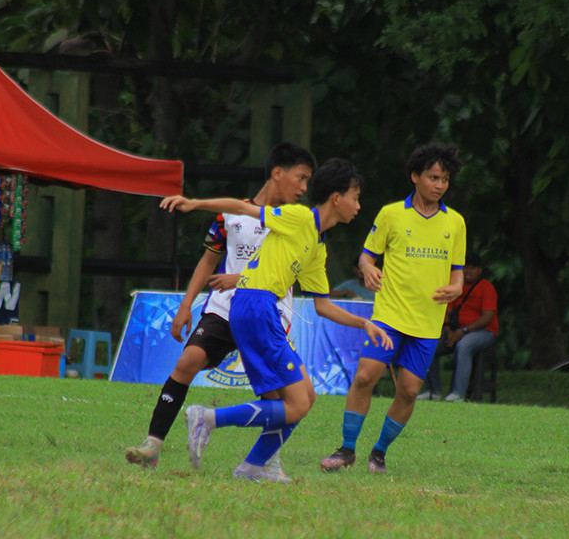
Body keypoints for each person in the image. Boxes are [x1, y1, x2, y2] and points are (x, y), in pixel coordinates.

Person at [161, 158, 393, 482]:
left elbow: (323, 306)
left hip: (259, 309)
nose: (358, 205)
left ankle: (253, 466)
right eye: (355, 197)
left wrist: (364, 323)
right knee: (296, 404)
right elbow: (242, 209)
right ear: (337, 198)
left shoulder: (317, 243)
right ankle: (208, 418)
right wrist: (195, 203)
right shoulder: (299, 217)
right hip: (256, 306)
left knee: (306, 397)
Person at [126, 143, 317, 477]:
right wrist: (186, 306)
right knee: (188, 361)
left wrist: (243, 277)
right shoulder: (231, 215)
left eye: (308, 181)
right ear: (277, 173)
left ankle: (267, 460)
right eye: (300, 178)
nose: (304, 188)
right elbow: (209, 259)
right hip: (225, 311)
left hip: (266, 315)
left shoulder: (296, 222)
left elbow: (293, 271)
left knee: (281, 397)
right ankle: (152, 446)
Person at [320, 143, 466, 474]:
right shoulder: (391, 215)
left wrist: (456, 288)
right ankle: (346, 450)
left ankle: (379, 454)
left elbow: (457, 273)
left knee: (410, 391)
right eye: (433, 177)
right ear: (415, 177)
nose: (440, 185)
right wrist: (369, 268)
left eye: (444, 179)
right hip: (389, 316)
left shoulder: (455, 223)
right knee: (365, 376)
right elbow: (366, 256)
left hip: (427, 323)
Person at [421, 252, 498, 402]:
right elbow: (447, 310)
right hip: (455, 330)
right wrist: (449, 330)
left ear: (479, 270)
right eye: (465, 268)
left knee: (464, 346)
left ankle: (458, 393)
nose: (468, 271)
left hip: (483, 332)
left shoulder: (486, 287)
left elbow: (487, 317)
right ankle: (433, 391)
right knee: (429, 344)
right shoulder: (456, 286)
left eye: (472, 268)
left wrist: (463, 331)